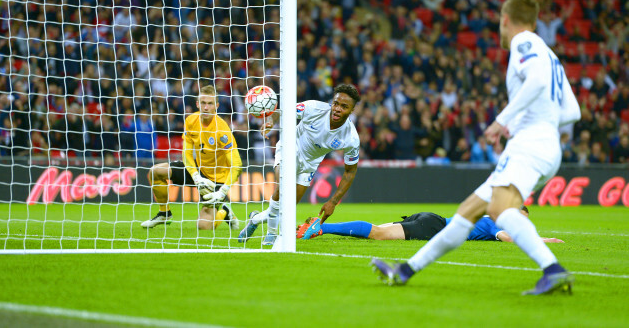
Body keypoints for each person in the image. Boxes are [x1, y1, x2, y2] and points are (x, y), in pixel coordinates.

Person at [371, 0, 581, 295]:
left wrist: (503, 121)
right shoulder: (551, 55)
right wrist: (544, 123)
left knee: (501, 211)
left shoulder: (525, 42)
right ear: (533, 20)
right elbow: (573, 112)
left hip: (530, 143)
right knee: (466, 213)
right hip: (544, 144)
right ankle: (403, 271)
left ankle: (552, 269)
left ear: (504, 20)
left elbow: (534, 82)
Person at [238, 84, 361, 246]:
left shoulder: (351, 137)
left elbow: (350, 172)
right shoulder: (314, 108)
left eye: (344, 107)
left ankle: (255, 219)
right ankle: (272, 235)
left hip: (309, 165)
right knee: (282, 188)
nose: (337, 109)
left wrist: (333, 201)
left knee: (287, 207)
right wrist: (270, 122)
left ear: (352, 110)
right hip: (290, 148)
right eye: (336, 103)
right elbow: (283, 112)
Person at [141, 85, 242, 231]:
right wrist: (195, 176)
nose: (206, 107)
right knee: (155, 172)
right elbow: (187, 153)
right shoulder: (191, 121)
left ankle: (225, 211)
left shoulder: (222, 130)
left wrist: (223, 191)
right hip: (197, 169)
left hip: (216, 179)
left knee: (203, 226)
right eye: (203, 103)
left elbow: (237, 165)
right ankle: (164, 213)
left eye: (210, 104)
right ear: (197, 104)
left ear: (216, 106)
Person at [296, 206, 564, 243]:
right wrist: (541, 241)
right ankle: (321, 227)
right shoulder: (497, 223)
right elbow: (507, 237)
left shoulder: (490, 216)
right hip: (433, 227)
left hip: (430, 217)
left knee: (376, 227)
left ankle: (319, 225)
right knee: (378, 234)